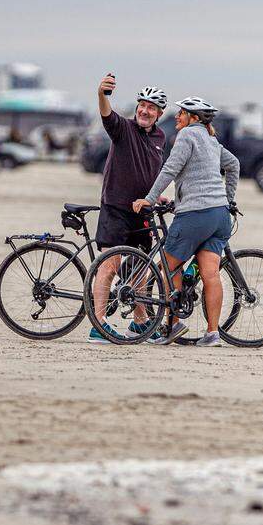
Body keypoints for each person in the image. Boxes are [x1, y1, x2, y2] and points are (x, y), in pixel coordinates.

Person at [133, 96, 240, 347]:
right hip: (220, 215)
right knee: (211, 274)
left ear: (193, 117)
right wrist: (229, 199)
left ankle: (173, 324)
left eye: (181, 113)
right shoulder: (212, 140)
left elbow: (169, 169)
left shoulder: (187, 136)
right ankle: (213, 333)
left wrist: (149, 198)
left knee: (168, 268)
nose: (177, 116)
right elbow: (233, 165)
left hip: (194, 214)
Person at [88, 75, 169, 343]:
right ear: (137, 109)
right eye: (142, 106)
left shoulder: (160, 136)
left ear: (159, 113)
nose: (145, 111)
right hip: (116, 207)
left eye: (152, 108)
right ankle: (98, 325)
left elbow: (153, 172)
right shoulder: (123, 128)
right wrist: (102, 93)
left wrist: (157, 198)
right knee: (109, 265)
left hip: (142, 212)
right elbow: (106, 115)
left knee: (139, 269)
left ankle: (139, 322)